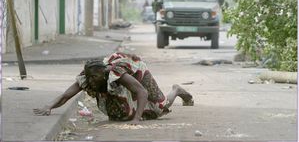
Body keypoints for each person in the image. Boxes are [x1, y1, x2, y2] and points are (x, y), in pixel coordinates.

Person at [33, 52, 194, 124]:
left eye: (94, 78)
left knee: (160, 107)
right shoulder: (89, 76)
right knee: (127, 109)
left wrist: (137, 118)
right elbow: (66, 95)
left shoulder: (116, 74)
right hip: (122, 77)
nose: (91, 81)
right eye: (89, 77)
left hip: (138, 72)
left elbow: (142, 92)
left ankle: (177, 90)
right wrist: (49, 106)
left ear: (103, 74)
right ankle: (137, 112)